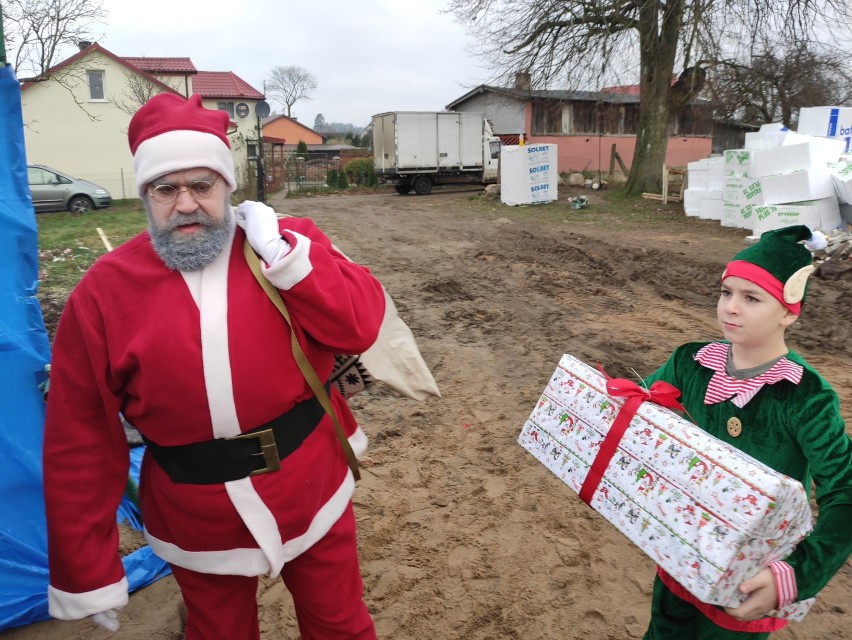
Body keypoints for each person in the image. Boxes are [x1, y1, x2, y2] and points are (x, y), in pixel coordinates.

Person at [42, 92, 386, 640]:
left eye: (201, 185)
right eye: (166, 188)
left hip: (309, 479)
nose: (185, 204)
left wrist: (292, 260)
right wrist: (86, 567)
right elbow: (78, 432)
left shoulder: (283, 246)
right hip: (196, 511)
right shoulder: (103, 292)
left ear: (227, 186)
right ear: (144, 195)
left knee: (340, 625)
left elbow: (361, 325)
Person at [640, 225, 852, 639]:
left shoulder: (806, 396)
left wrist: (793, 575)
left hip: (746, 580)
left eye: (751, 298)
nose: (730, 308)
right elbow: (639, 412)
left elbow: (845, 491)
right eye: (726, 293)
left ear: (790, 312)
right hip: (681, 552)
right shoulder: (691, 362)